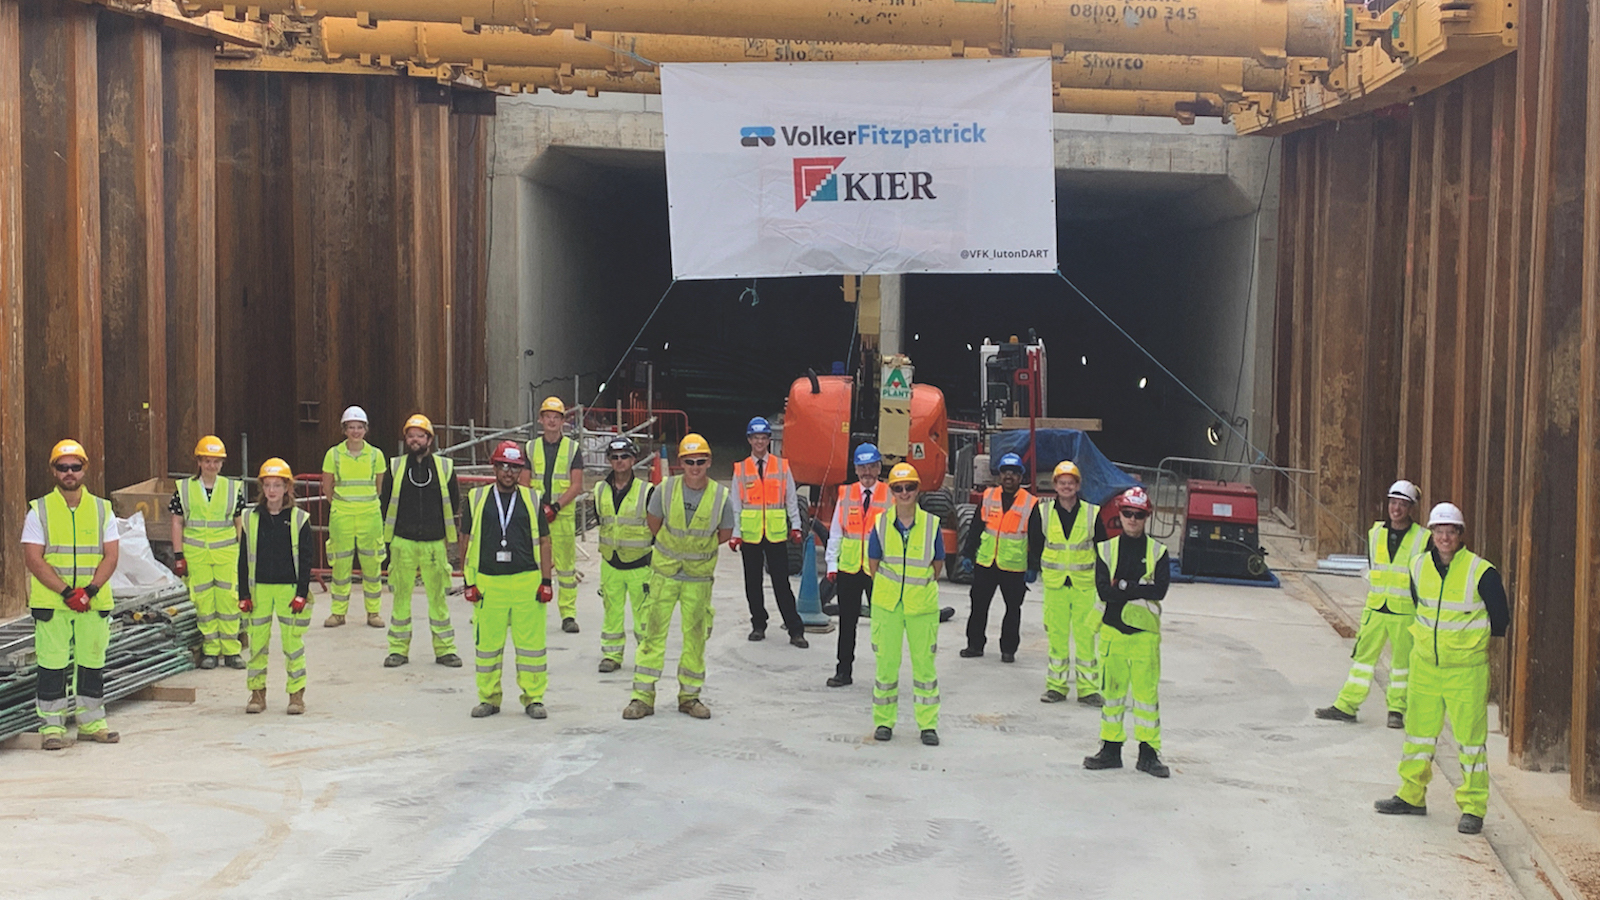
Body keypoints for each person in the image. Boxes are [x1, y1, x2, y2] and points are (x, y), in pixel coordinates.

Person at [1374, 502, 1510, 836]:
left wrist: (1467, 646)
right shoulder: (1418, 566)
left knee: (1470, 742)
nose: (1444, 537)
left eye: (1450, 531)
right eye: (1439, 531)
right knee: (1418, 735)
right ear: (1432, 533)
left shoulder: (1482, 572)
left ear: (1460, 534)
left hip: (1466, 670)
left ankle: (1473, 808)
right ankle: (1411, 795)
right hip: (1425, 666)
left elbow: (1500, 620)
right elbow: (1420, 604)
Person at [624, 433, 734, 721]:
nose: (695, 467)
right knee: (651, 633)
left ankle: (690, 696)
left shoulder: (720, 496)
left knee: (696, 637)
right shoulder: (665, 490)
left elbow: (725, 533)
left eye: (700, 461)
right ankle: (642, 697)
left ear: (708, 462)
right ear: (680, 463)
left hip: (697, 579)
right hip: (665, 574)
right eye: (689, 461)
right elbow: (653, 523)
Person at [21, 439, 121, 750]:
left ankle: (92, 724)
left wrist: (89, 591)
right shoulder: (39, 511)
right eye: (63, 467)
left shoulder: (102, 509)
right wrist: (66, 592)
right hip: (54, 605)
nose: (69, 473)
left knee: (92, 663)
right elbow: (33, 558)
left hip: (93, 602)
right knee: (52, 666)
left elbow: (111, 555)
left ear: (84, 469)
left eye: (75, 467)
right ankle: (52, 729)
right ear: (54, 471)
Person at [1316, 480, 1428, 727]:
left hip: (1405, 611)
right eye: (1393, 503)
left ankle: (1397, 711)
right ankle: (1346, 706)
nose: (1396, 509)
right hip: (1376, 608)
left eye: (1402, 504)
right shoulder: (1375, 533)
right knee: (1362, 660)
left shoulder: (1423, 539)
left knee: (1402, 665)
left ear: (1410, 508)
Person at [461, 441, 555, 719]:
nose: (508, 472)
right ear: (494, 467)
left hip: (527, 581)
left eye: (514, 468)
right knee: (487, 646)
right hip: (489, 582)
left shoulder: (532, 499)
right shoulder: (477, 499)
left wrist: (547, 580)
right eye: (503, 466)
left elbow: (546, 541)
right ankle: (488, 698)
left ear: (520, 471)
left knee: (531, 647)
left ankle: (534, 698)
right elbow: (464, 538)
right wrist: (469, 581)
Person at [1083, 487, 1171, 778]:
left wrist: (1123, 585)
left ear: (1147, 517)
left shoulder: (1158, 552)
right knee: (1112, 696)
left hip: (1144, 635)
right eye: (1127, 514)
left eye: (1138, 515)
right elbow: (1104, 590)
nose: (1132, 520)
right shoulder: (1106, 549)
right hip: (1113, 634)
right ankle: (1110, 750)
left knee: (1146, 699)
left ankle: (1148, 754)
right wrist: (1133, 587)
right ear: (1119, 515)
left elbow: (1159, 590)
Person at [867, 463, 945, 746]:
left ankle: (928, 725)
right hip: (887, 605)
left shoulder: (931, 524)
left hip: (921, 606)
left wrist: (916, 586)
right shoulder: (880, 523)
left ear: (917, 489)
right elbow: (873, 563)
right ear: (891, 491)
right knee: (886, 666)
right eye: (898, 488)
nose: (904, 493)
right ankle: (884, 722)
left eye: (909, 487)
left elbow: (938, 564)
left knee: (925, 668)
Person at [379, 414, 463, 669]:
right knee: (400, 598)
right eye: (410, 435)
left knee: (438, 598)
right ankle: (398, 650)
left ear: (430, 439)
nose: (415, 440)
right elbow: (385, 504)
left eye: (420, 435)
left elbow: (455, 502)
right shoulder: (394, 467)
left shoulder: (445, 468)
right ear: (405, 439)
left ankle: (445, 650)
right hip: (403, 542)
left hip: (434, 544)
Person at [239, 458, 316, 715]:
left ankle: (296, 695)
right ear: (262, 488)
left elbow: (306, 559)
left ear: (287, 488)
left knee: (292, 644)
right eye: (268, 485)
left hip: (288, 589)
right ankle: (257, 693)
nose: (272, 491)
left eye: (277, 485)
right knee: (257, 643)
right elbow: (243, 558)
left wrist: (301, 593)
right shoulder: (250, 518)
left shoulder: (299, 519)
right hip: (259, 589)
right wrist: (244, 593)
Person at [1029, 460, 1109, 704]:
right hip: (1055, 585)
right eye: (1062, 483)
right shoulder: (1041, 511)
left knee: (1086, 638)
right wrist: (1033, 569)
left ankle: (1088, 690)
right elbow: (1034, 542)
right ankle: (1056, 687)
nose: (1066, 487)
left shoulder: (1091, 513)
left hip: (1084, 584)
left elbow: (1103, 549)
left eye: (1070, 483)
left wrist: (1104, 581)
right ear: (1055, 485)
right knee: (1057, 638)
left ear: (1077, 485)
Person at [729, 416, 807, 648]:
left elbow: (790, 499)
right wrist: (736, 532)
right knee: (752, 583)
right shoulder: (741, 469)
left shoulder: (782, 467)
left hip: (775, 534)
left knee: (781, 583)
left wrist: (796, 526)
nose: (760, 442)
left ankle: (795, 629)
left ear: (768, 440)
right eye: (756, 438)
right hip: (751, 534)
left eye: (763, 438)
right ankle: (758, 624)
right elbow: (736, 504)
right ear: (749, 440)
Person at [169, 435, 246, 670]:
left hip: (226, 555)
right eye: (207, 461)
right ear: (199, 462)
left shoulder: (232, 489)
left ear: (222, 464)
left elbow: (239, 523)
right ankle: (211, 650)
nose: (212, 466)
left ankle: (232, 650)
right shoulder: (184, 489)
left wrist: (244, 555)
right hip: (197, 555)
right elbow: (176, 523)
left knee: (229, 602)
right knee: (203, 603)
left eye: (216, 461)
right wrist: (179, 555)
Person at [959, 452, 1039, 663]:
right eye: (1005, 472)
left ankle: (1008, 650)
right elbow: (976, 528)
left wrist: (1033, 566)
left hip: (1014, 566)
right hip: (986, 562)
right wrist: (968, 554)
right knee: (978, 606)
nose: (1009, 476)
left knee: (1013, 610)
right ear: (1000, 475)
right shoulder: (988, 496)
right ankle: (974, 645)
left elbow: (1036, 538)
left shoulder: (1030, 503)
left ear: (1020, 477)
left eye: (1014, 472)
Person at [824, 442, 889, 687]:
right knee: (847, 624)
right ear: (856, 469)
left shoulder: (890, 495)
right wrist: (832, 564)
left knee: (882, 624)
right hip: (849, 569)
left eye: (872, 467)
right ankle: (843, 671)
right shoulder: (847, 494)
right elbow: (836, 532)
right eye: (862, 468)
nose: (867, 473)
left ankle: (885, 673)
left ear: (879, 467)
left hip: (878, 572)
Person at [321, 406, 386, 628]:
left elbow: (378, 487)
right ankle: (338, 613)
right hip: (343, 516)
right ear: (344, 429)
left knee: (372, 565)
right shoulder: (334, 454)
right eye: (351, 427)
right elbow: (327, 486)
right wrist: (341, 503)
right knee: (340, 566)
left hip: (369, 516)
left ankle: (373, 613)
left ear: (365, 429)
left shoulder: (376, 455)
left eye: (359, 427)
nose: (355, 431)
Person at [593, 436, 654, 673]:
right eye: (615, 457)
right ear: (609, 460)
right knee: (612, 612)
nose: (620, 462)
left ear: (633, 460)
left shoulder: (647, 491)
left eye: (625, 457)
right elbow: (601, 520)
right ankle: (611, 655)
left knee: (644, 616)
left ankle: (646, 655)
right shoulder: (600, 490)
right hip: (611, 562)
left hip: (639, 564)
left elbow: (656, 526)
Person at [525, 397, 584, 634]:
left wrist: (556, 507)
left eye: (556, 417)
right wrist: (539, 509)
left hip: (562, 519)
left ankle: (568, 614)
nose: (551, 421)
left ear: (562, 421)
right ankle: (532, 609)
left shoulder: (572, 449)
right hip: (537, 517)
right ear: (541, 419)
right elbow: (524, 482)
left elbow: (576, 484)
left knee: (566, 569)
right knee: (533, 565)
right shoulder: (530, 448)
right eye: (547, 416)